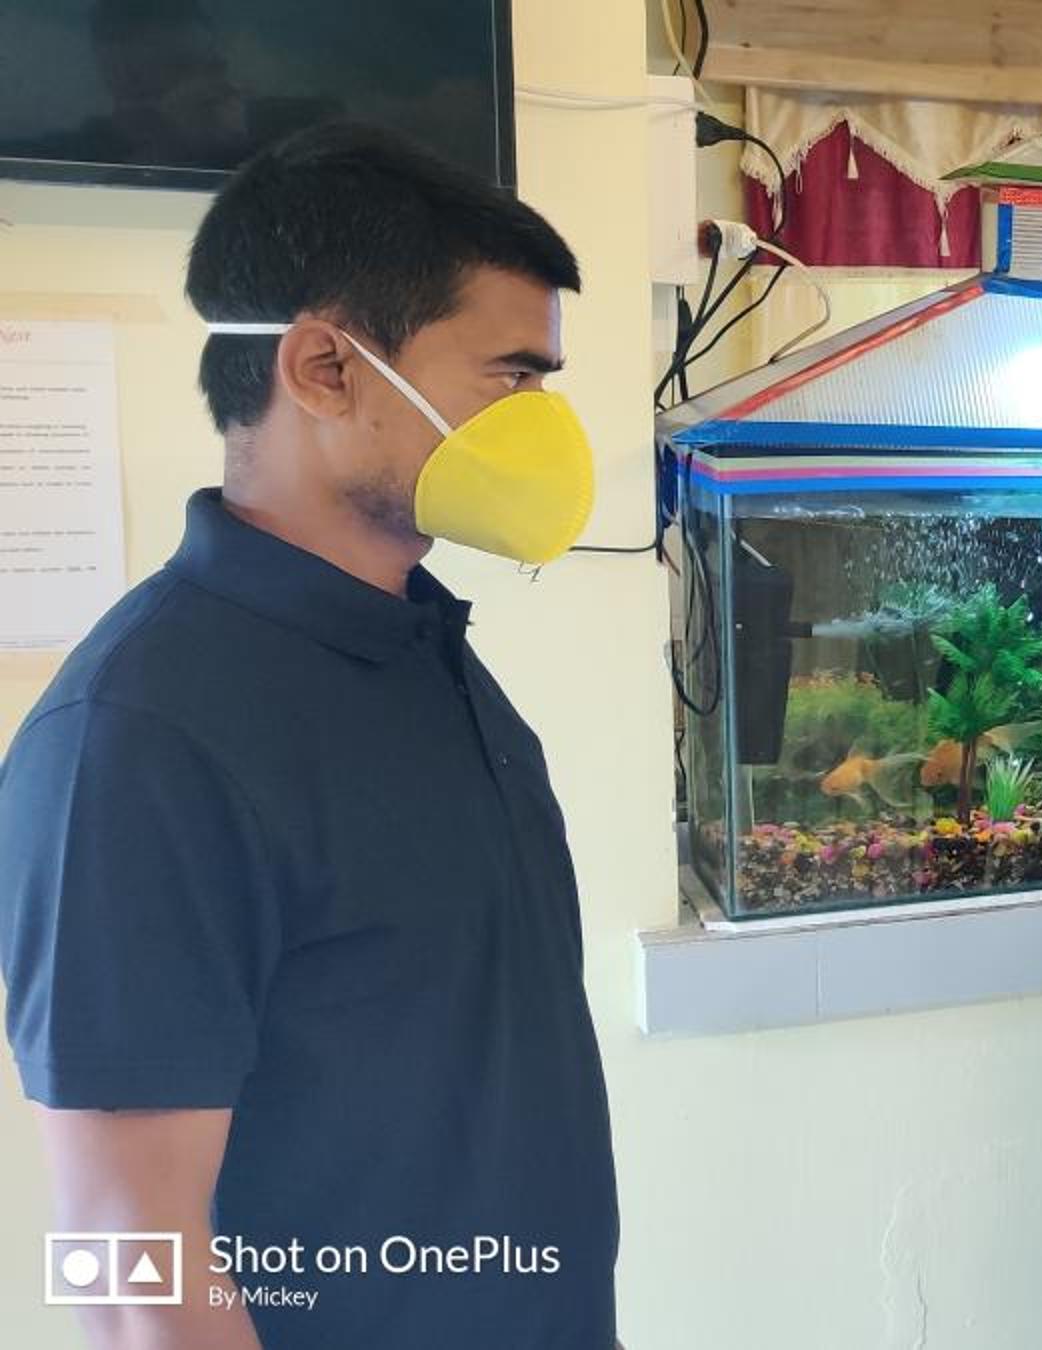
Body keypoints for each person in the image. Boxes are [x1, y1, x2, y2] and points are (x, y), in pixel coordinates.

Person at [0, 124, 617, 1348]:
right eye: (511, 378)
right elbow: (130, 1262)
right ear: (326, 368)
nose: (542, 424)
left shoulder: (426, 647)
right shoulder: (140, 736)